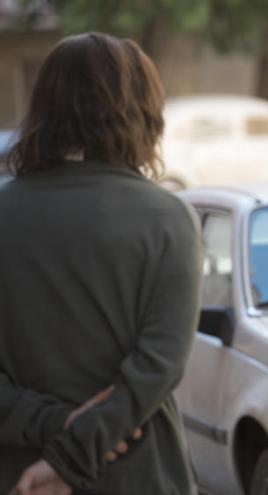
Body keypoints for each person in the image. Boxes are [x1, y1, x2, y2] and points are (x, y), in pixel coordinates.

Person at [0, 32, 203, 494]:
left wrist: (54, 427)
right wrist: (78, 446)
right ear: (144, 112)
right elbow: (159, 366)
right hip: (142, 476)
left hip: (19, 476)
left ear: (43, 108)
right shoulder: (168, 219)